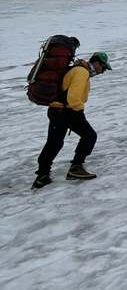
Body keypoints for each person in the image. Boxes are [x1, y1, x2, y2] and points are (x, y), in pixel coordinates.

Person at [32, 51, 111, 188]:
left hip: (58, 110)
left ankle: (42, 175)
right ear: (97, 63)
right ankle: (75, 167)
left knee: (55, 143)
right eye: (103, 67)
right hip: (67, 111)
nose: (103, 71)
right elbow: (74, 98)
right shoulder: (82, 72)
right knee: (89, 136)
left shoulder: (78, 69)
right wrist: (80, 111)